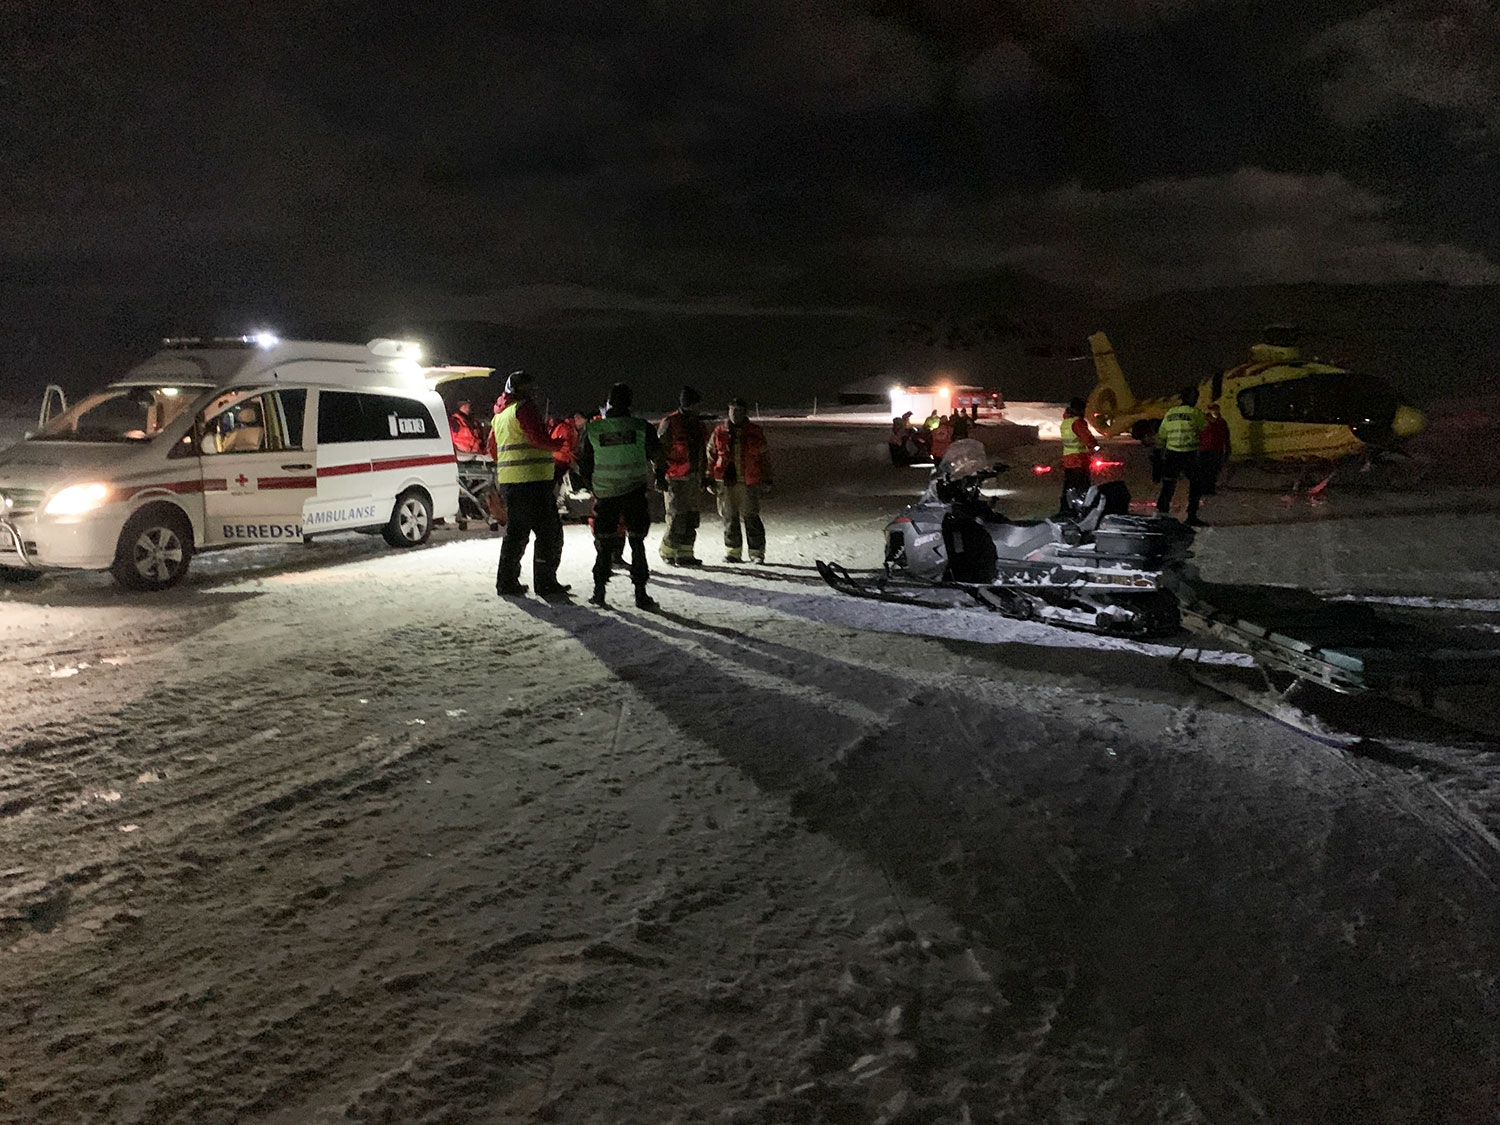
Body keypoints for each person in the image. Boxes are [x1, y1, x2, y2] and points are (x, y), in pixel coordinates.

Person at [577, 382, 665, 609]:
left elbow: (584, 462)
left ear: (609, 403)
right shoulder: (641, 427)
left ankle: (599, 592)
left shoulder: (593, 429)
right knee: (637, 542)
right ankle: (641, 594)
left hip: (605, 494)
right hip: (634, 492)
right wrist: (660, 476)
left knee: (604, 543)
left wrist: (593, 486)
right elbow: (658, 455)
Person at [491, 371, 570, 599]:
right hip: (533, 482)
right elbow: (537, 439)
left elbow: (492, 449)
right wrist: (557, 445)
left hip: (511, 482)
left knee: (516, 533)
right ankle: (545, 582)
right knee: (549, 533)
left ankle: (506, 582)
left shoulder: (501, 414)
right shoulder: (524, 409)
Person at [707, 397, 772, 563]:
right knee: (729, 518)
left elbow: (764, 457)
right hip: (725, 484)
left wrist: (767, 478)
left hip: (748, 482)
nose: (735, 414)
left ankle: (757, 553)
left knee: (751, 518)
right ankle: (732, 552)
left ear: (745, 412)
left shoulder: (755, 432)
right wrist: (709, 478)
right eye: (732, 410)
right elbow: (710, 456)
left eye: (738, 411)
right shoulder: (719, 432)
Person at [656, 385, 708, 566]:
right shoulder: (670, 423)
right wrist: (659, 475)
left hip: (693, 478)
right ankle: (668, 551)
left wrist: (705, 475)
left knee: (691, 517)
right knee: (677, 517)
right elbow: (659, 452)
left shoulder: (698, 425)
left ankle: (686, 553)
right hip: (675, 479)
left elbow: (703, 452)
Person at [1155, 386, 1209, 527]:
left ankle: (1162, 514)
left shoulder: (1170, 413)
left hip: (1172, 454)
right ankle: (1191, 515)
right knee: (1196, 485)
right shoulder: (1195, 413)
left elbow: (1162, 434)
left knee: (1168, 484)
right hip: (1189, 453)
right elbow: (1204, 428)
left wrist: (1161, 452)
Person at [1058, 396, 1100, 515]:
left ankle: (1065, 510)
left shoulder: (1066, 422)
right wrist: (1096, 448)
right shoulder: (1078, 422)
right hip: (1079, 460)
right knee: (1082, 488)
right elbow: (1087, 438)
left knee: (1068, 487)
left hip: (1068, 460)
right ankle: (1082, 511)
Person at [1197, 401, 1231, 496]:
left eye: (1216, 409)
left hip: (1217, 450)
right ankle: (1204, 488)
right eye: (1212, 409)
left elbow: (1226, 436)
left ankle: (1210, 488)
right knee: (1205, 470)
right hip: (1204, 450)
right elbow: (1197, 435)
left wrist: (1228, 447)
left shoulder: (1222, 422)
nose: (1214, 411)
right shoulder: (1203, 421)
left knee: (1214, 470)